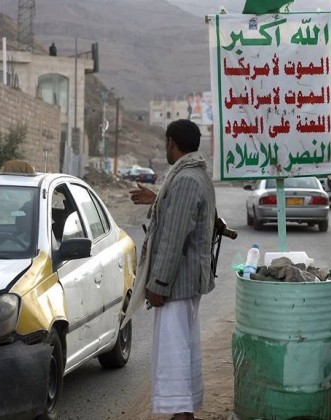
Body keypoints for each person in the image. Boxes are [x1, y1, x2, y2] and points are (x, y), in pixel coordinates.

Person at [128, 119, 216, 420]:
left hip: (177, 282)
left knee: (174, 352)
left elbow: (174, 236)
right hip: (185, 280)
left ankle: (181, 415)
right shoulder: (193, 176)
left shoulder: (186, 179)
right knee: (182, 348)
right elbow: (178, 211)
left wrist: (159, 283)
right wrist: (156, 200)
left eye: (166, 142)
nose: (165, 147)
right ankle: (184, 413)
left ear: (172, 143)